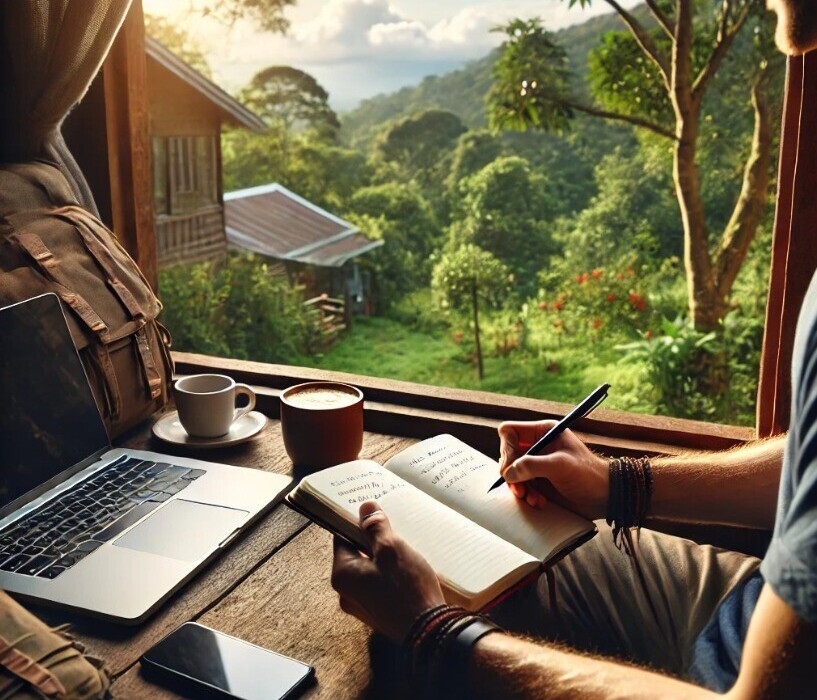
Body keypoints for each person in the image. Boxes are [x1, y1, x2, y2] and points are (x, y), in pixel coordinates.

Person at [330, 1, 817, 697]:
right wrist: (617, 482)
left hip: (742, 669)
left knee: (403, 645)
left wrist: (435, 632)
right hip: (750, 605)